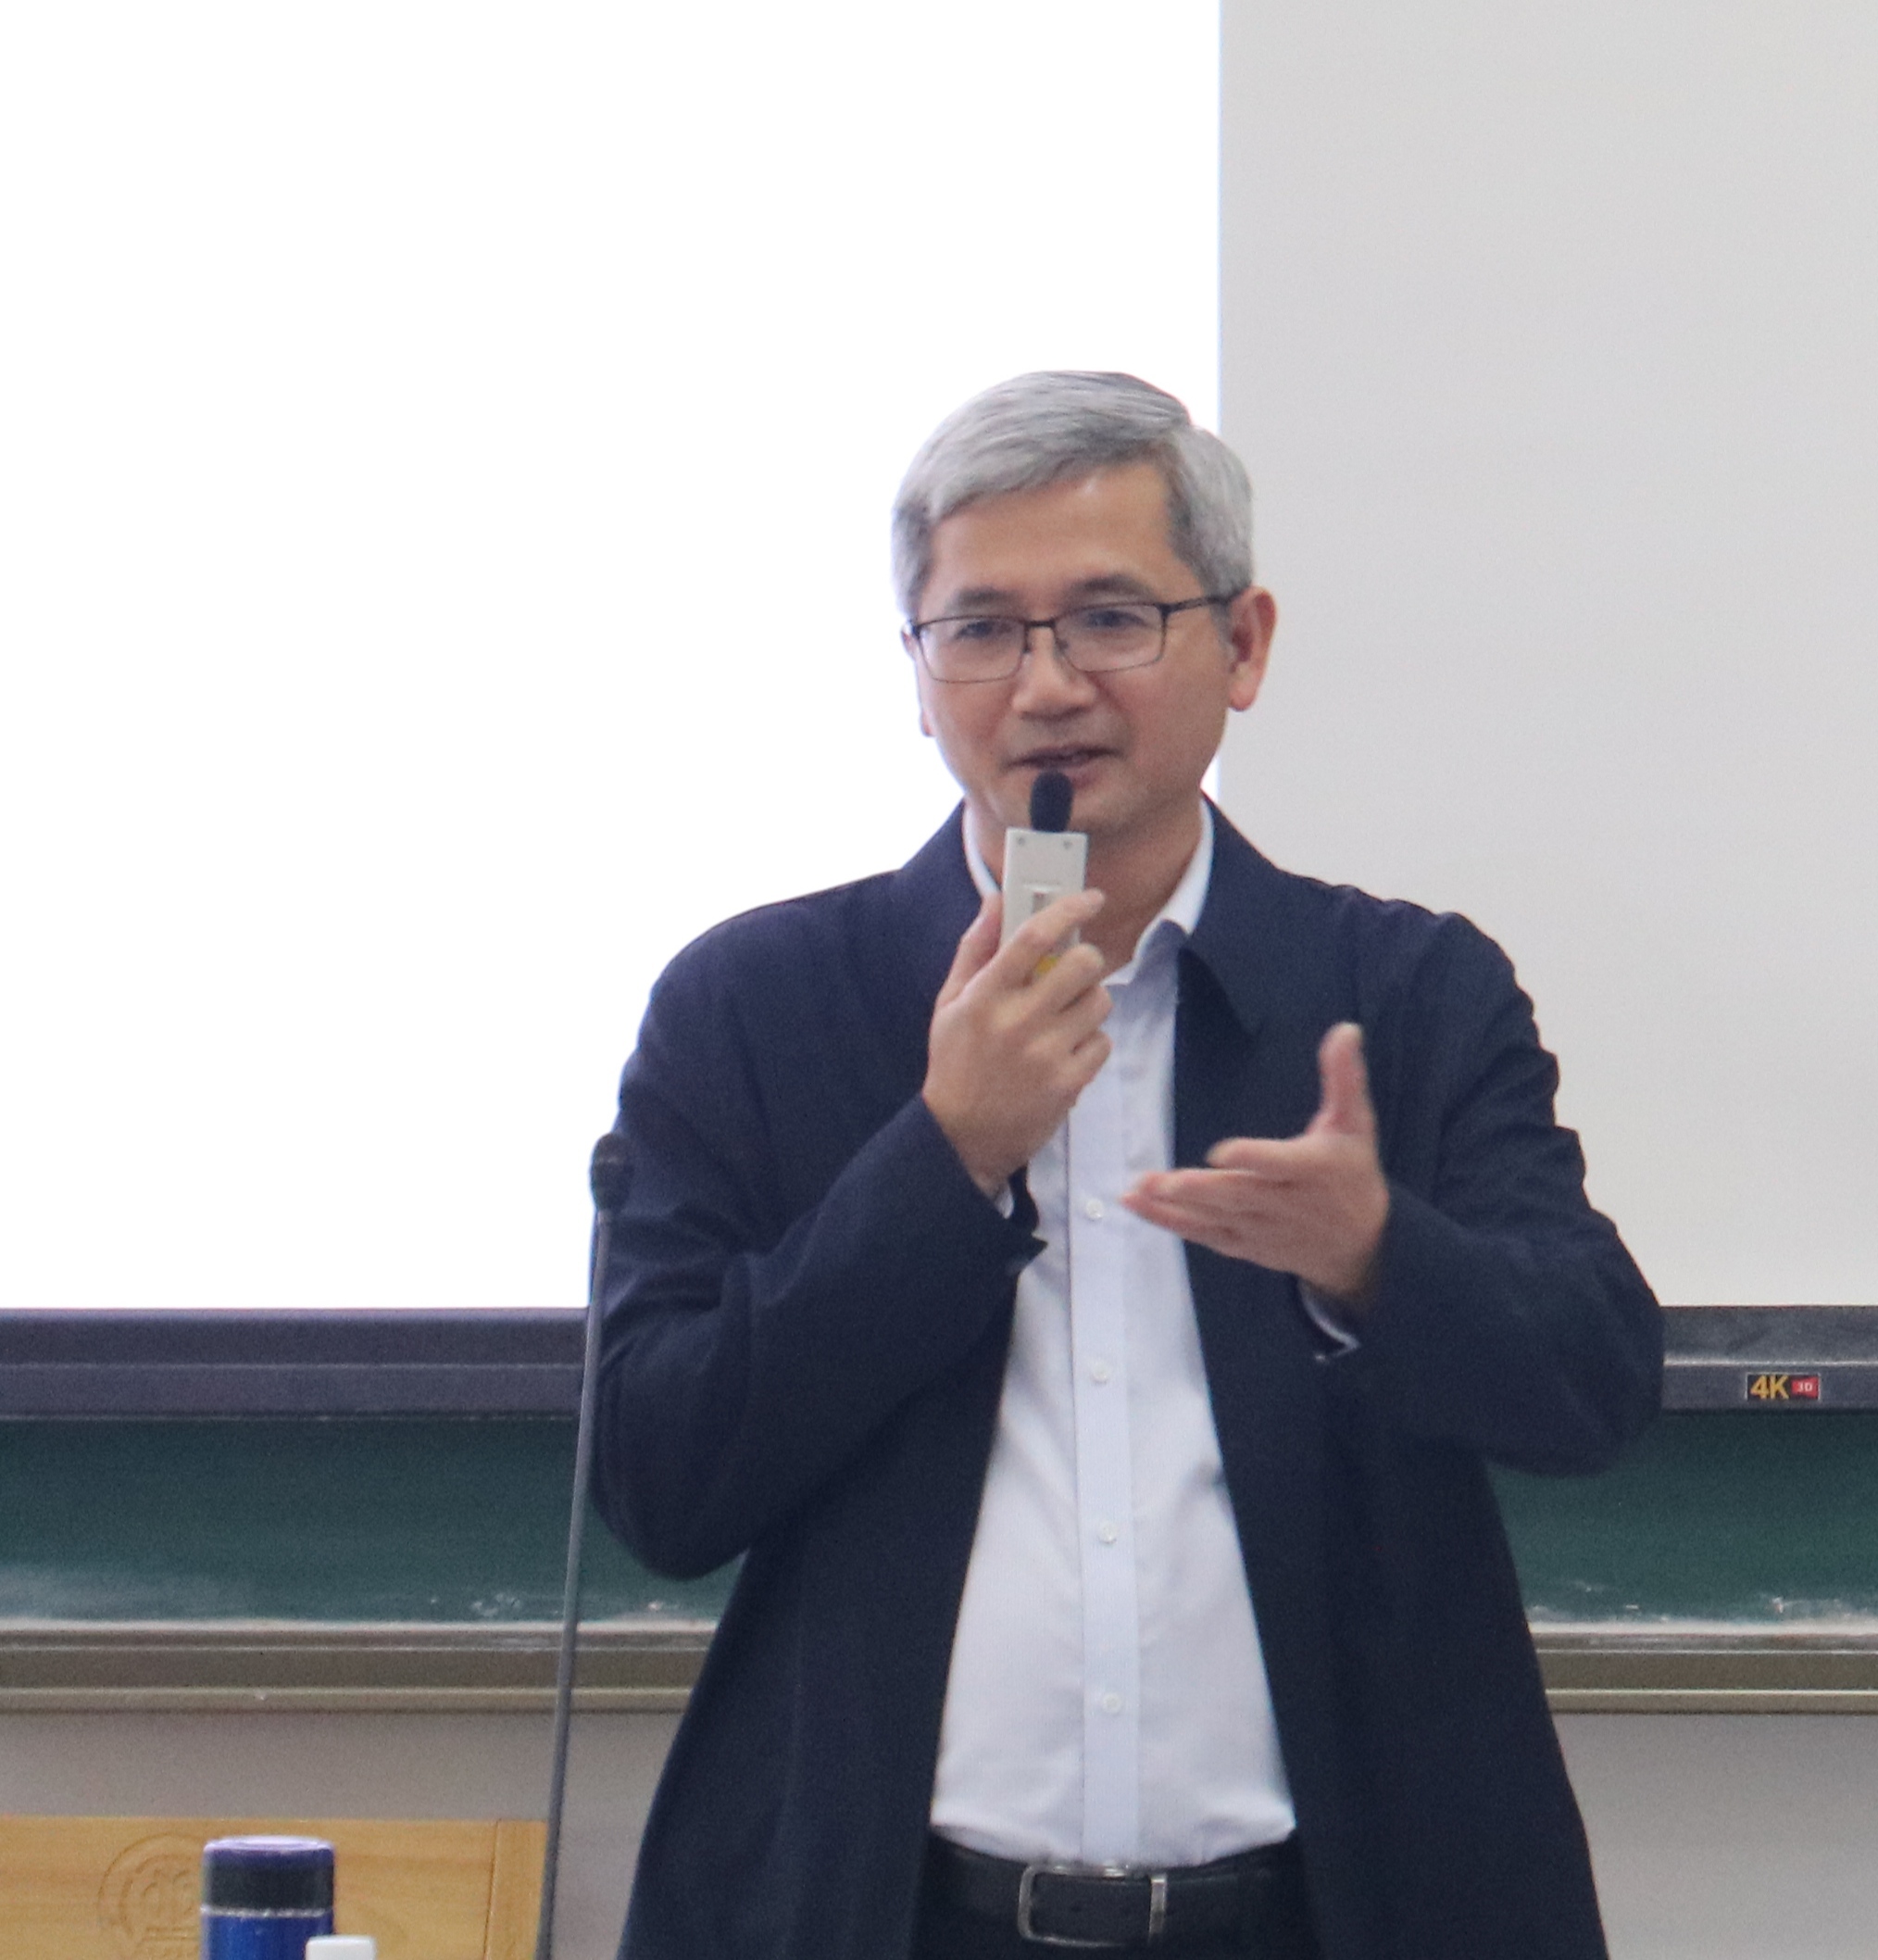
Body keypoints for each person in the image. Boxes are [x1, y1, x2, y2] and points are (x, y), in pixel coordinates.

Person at [593, 371, 1661, 1960]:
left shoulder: (1405, 995)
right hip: (893, 1915)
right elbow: (662, 1481)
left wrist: (1378, 1257)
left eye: (1109, 619)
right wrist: (943, 1158)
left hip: (1323, 1915)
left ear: (1243, 645)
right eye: (980, 630)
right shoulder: (757, 1004)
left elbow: (1592, 1389)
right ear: (917, 677)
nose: (1045, 687)